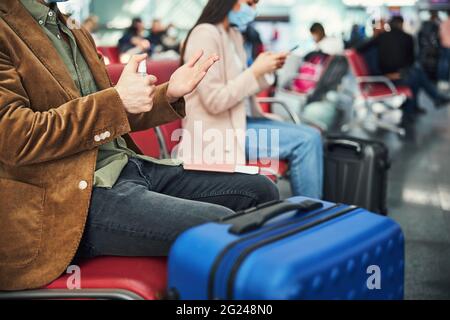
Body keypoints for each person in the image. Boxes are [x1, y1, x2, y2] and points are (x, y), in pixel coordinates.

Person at [0, 0, 280, 291]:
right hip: (68, 197)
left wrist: (168, 93)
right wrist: (116, 101)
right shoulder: (6, 27)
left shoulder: (69, 27)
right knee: (219, 228)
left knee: (260, 190)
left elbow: (110, 115)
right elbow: (16, 138)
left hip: (125, 166)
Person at [178, 0, 324, 198]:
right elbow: (215, 101)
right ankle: (313, 217)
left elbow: (241, 85)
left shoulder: (234, 35)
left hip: (240, 121)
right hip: (216, 131)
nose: (253, 10)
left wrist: (265, 70)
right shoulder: (204, 34)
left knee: (312, 134)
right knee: (307, 140)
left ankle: (315, 212)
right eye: (249, 3)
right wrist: (255, 70)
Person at [357, 16, 449, 119]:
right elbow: (411, 61)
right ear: (401, 24)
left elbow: (359, 49)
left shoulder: (380, 37)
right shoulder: (407, 37)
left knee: (416, 75)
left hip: (383, 76)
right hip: (385, 79)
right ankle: (419, 104)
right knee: (416, 76)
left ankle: (415, 105)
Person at [439, 10, 450, 88]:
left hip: (444, 44)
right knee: (446, 64)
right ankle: (444, 81)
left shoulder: (444, 22)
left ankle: (443, 81)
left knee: (444, 63)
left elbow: (440, 34)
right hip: (448, 45)